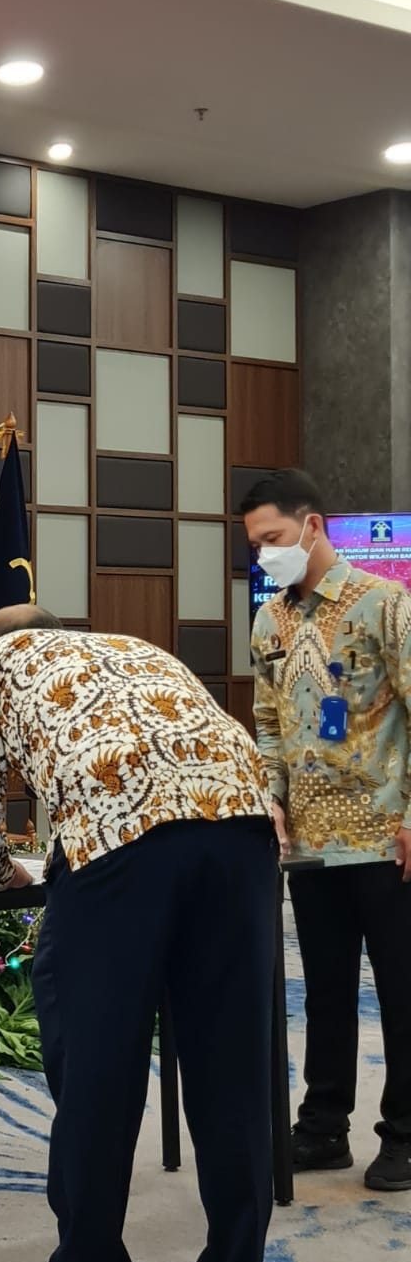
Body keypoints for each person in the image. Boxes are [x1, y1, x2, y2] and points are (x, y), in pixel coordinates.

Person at [0, 605, 277, 1262]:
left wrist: (2, 874)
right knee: (234, 1076)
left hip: (121, 846)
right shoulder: (134, 646)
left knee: (98, 1078)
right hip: (242, 832)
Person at [244, 468, 411, 1192]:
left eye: (273, 538)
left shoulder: (384, 603)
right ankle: (323, 1127)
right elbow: (268, 723)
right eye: (255, 544)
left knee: (402, 991)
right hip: (310, 847)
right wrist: (271, 798)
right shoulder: (269, 621)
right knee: (326, 991)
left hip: (388, 835)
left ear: (311, 525)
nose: (265, 555)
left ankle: (405, 1134)